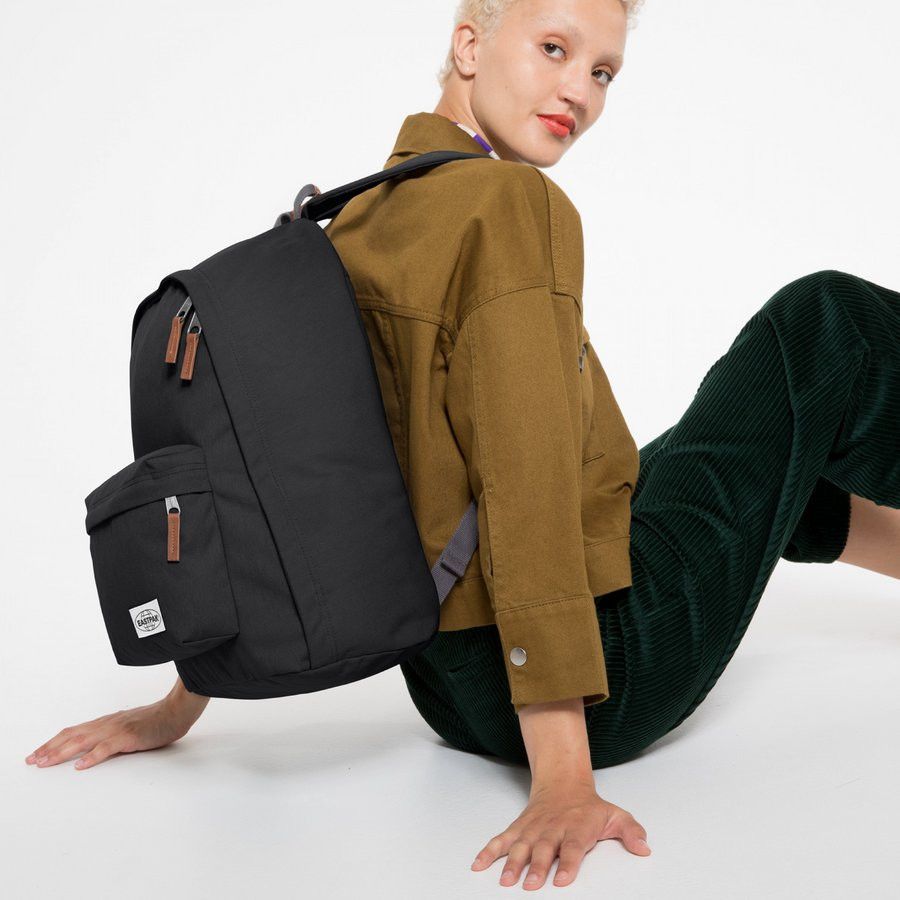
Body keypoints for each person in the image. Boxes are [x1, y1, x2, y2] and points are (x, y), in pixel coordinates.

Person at [25, 0, 900, 891]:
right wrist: (564, 778)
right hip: (605, 674)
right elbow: (525, 477)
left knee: (690, 458)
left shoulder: (350, 223)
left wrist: (182, 702)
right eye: (554, 48)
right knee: (826, 327)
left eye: (602, 72)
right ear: (469, 45)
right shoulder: (509, 205)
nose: (579, 92)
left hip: (452, 693)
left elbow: (275, 479)